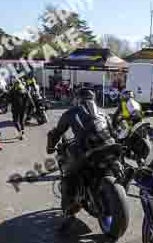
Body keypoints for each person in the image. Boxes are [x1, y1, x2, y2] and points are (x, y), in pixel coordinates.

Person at [46, 88, 115, 225]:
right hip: (109, 147)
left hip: (86, 151)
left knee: (68, 175)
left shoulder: (72, 112)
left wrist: (50, 147)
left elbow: (57, 132)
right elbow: (113, 132)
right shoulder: (103, 113)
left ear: (78, 99)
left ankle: (68, 210)